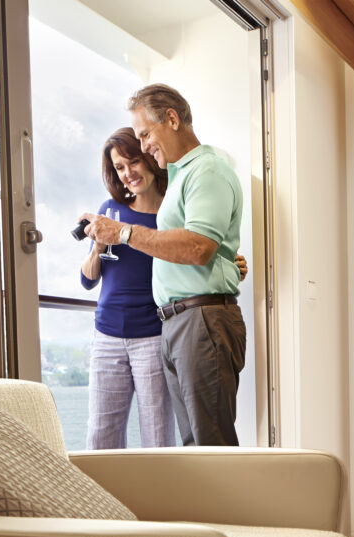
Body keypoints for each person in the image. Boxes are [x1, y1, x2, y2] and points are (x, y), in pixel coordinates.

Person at [83, 84, 247, 447]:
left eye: (145, 135)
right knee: (194, 448)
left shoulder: (206, 170)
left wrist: (123, 232)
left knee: (208, 446)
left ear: (171, 119)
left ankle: (223, 507)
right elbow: (201, 244)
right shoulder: (181, 178)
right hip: (177, 322)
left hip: (198, 321)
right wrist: (227, 261)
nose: (142, 146)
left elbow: (198, 247)